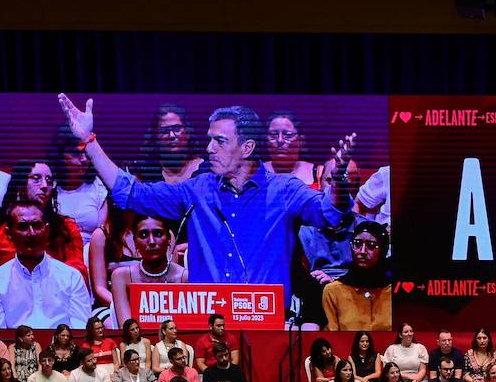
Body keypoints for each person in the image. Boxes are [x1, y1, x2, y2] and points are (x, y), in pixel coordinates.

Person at [57, 95, 357, 308]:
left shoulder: (285, 190)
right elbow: (135, 194)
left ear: (247, 147)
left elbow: (330, 215)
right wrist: (89, 143)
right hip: (207, 329)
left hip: (267, 327)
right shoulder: (197, 190)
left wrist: (340, 183)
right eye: (209, 139)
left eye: (220, 141)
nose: (209, 148)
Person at [0, 198, 93, 328]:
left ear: (47, 230)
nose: (31, 233)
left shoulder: (71, 277)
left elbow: (81, 330)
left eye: (37, 225)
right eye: (23, 227)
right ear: (9, 234)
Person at [109, 215, 188, 326]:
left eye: (158, 234)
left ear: (169, 239)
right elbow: (126, 328)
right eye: (143, 235)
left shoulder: (184, 277)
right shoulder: (121, 277)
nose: (151, 241)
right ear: (135, 241)